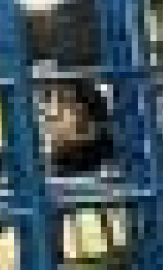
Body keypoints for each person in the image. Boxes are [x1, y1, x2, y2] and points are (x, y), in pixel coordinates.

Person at [45, 77, 123, 260]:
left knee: (55, 196)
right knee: (53, 197)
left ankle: (56, 249)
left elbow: (101, 143)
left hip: (88, 169)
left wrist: (65, 140)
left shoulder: (92, 120)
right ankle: (56, 249)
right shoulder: (73, 114)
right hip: (77, 171)